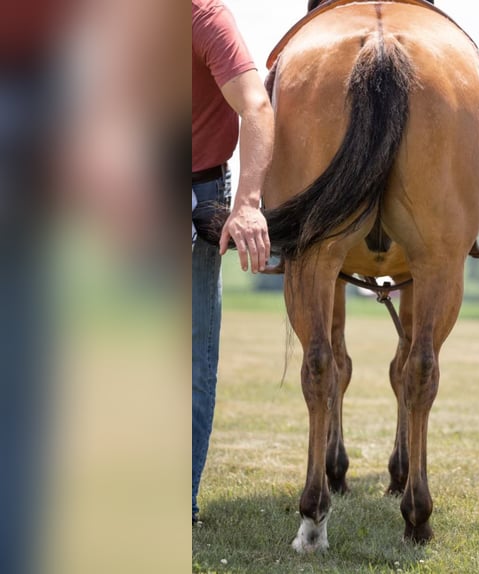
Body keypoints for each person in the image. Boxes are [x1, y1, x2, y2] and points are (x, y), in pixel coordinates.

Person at [192, 0, 274, 525]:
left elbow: (256, 106)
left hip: (200, 187)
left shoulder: (203, 16)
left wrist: (246, 205)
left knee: (192, 355)